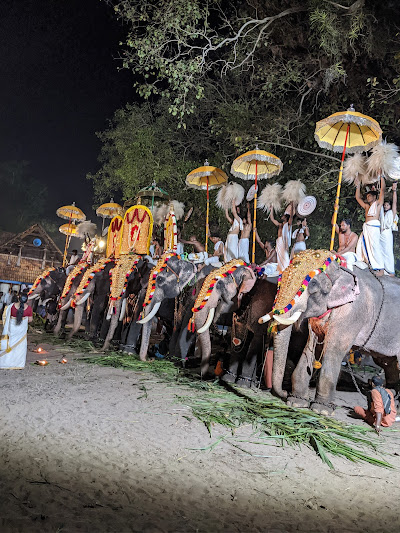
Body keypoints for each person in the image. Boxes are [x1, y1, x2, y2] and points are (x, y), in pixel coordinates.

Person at [356, 176, 385, 275]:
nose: (368, 197)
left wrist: (382, 177)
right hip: (366, 227)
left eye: (369, 196)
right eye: (367, 196)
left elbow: (382, 190)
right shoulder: (367, 206)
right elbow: (357, 198)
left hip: (373, 227)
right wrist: (357, 185)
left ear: (374, 197)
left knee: (375, 246)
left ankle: (380, 269)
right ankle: (366, 264)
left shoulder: (378, 204)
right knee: (361, 245)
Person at [0, 293, 33, 369]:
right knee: (20, 347)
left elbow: (6, 317)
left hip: (11, 330)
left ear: (18, 297)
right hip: (21, 332)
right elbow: (30, 320)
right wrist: (23, 321)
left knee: (9, 344)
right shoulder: (29, 309)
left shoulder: (11, 307)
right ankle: (18, 364)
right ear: (27, 300)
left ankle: (5, 363)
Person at [270, 204, 293, 274]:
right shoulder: (280, 225)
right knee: (279, 257)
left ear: (286, 217)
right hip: (279, 241)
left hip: (283, 242)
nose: (282, 216)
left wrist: (292, 205)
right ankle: (280, 270)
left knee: (285, 256)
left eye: (283, 215)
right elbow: (272, 219)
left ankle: (286, 270)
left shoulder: (288, 225)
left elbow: (291, 217)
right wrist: (271, 209)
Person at [380, 182, 397, 276]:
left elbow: (394, 202)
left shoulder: (392, 213)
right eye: (385, 205)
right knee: (381, 250)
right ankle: (383, 269)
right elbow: (380, 201)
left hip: (387, 233)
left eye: (387, 205)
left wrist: (394, 191)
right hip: (381, 233)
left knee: (388, 251)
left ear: (390, 207)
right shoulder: (382, 212)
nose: (386, 206)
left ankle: (391, 271)